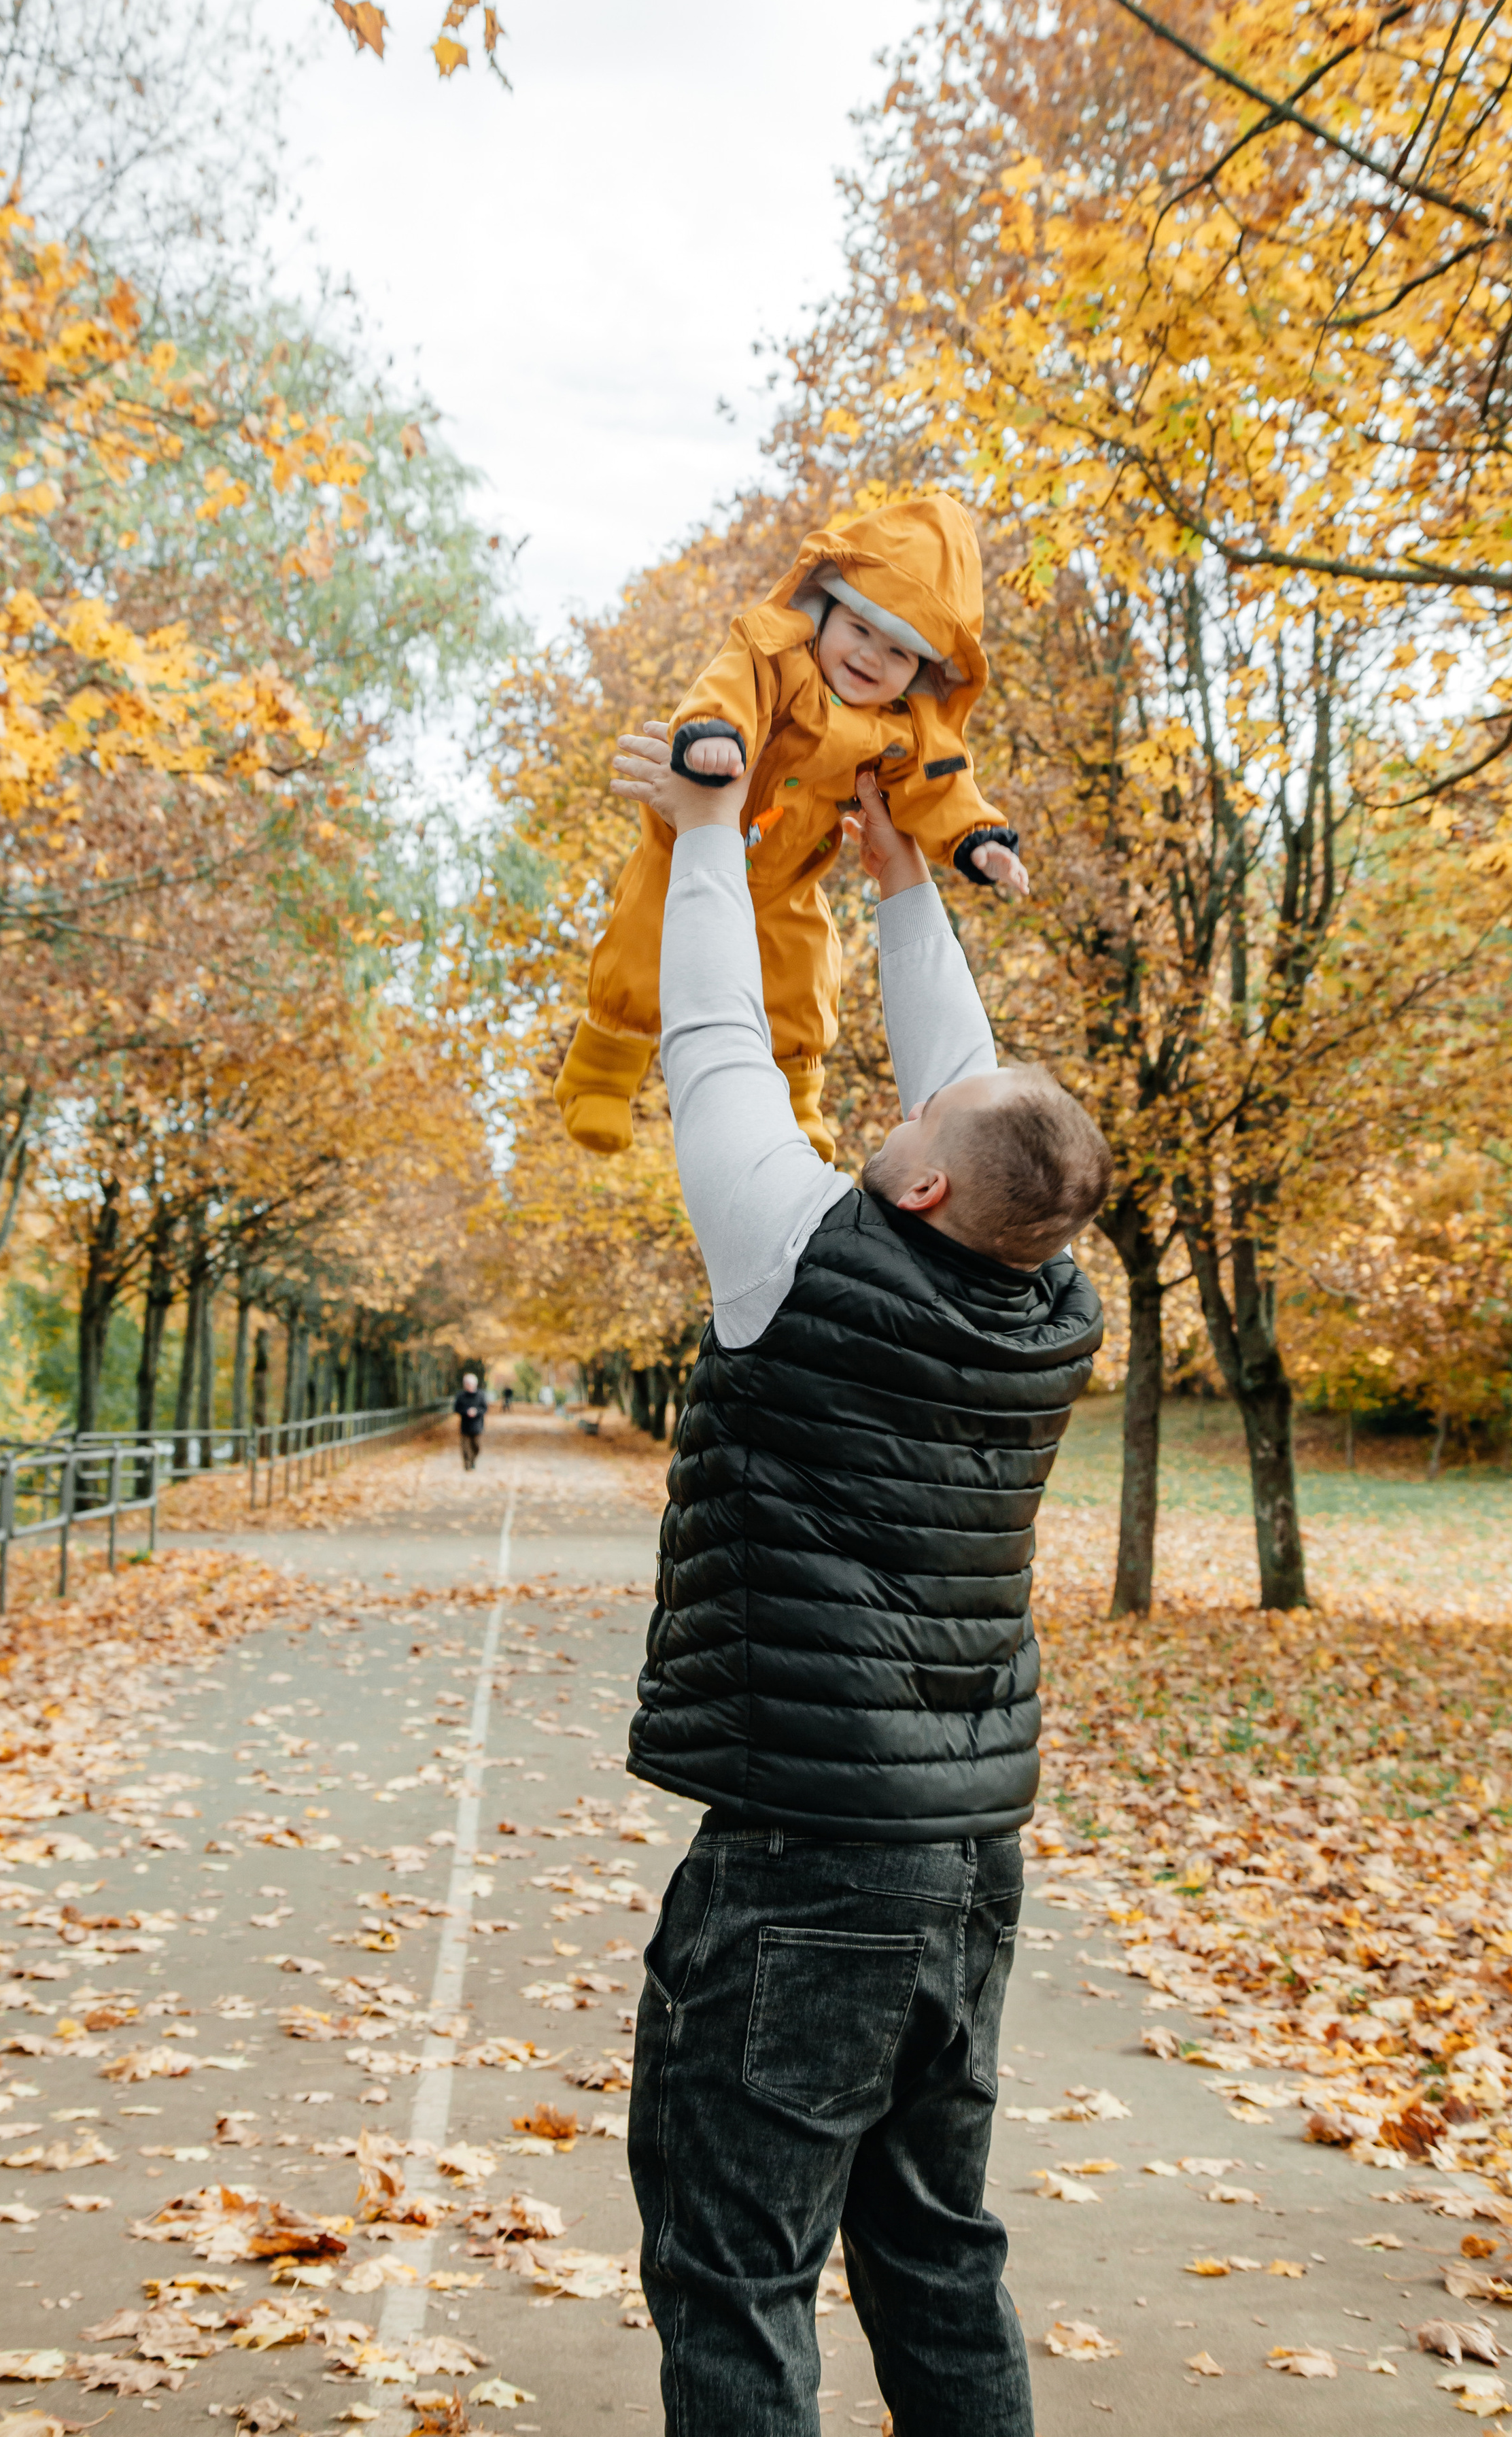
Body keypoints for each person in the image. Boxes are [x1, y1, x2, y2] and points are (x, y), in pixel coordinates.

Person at [617, 727, 1109, 2437]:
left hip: (808, 1865)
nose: (892, 1112)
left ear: (910, 1184)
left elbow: (711, 1047)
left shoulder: (796, 1261)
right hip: (963, 1864)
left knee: (734, 2265)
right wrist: (904, 893)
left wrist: (699, 840)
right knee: (928, 2240)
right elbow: (995, 1116)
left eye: (903, 1123)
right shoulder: (1049, 1302)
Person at [552, 496, 1030, 1166]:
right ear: (823, 609)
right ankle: (601, 1072)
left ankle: (796, 1104)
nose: (870, 656)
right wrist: (714, 735)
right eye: (860, 629)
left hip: (790, 872)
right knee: (644, 941)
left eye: (897, 651)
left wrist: (980, 839)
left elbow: (941, 785)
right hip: (692, 832)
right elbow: (728, 687)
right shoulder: (775, 655)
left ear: (919, 672)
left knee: (803, 976)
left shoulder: (902, 730)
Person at [453, 1370, 487, 1472]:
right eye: (467, 1384)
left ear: (475, 1384)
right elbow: (456, 1409)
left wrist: (476, 1412)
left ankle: (472, 1460)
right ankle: (468, 1464)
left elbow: (484, 1409)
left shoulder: (481, 1395)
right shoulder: (461, 1396)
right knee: (465, 1447)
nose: (469, 1386)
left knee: (477, 1446)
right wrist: (466, 1412)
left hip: (477, 1425)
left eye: (471, 1384)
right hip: (465, 1425)